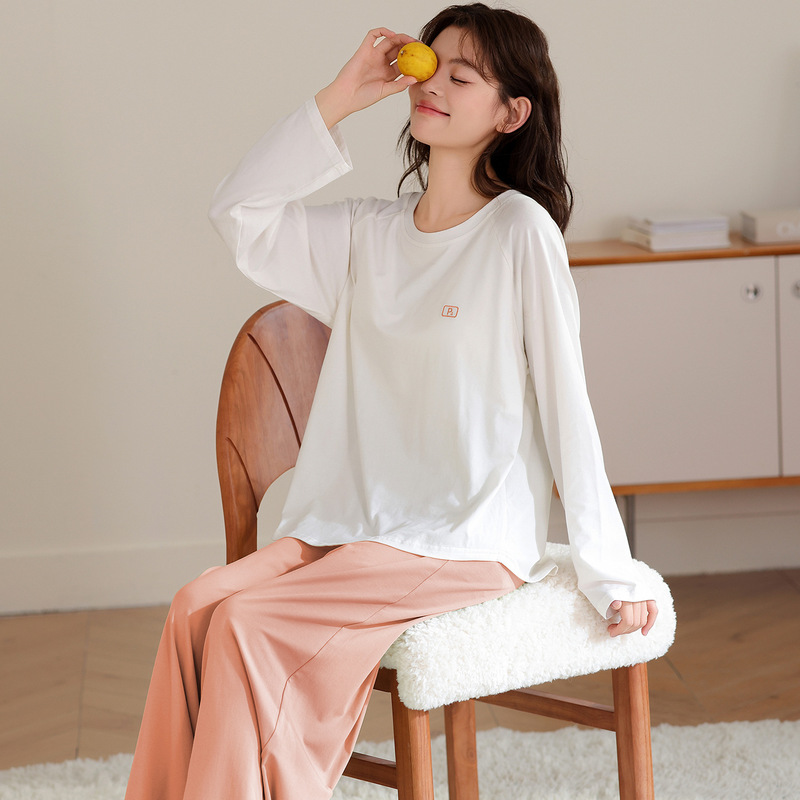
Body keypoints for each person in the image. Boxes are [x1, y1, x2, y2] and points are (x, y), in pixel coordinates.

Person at [125, 4, 658, 799]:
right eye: (430, 66)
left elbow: (566, 405)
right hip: (351, 525)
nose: (432, 84)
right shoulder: (366, 236)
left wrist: (611, 571)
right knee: (196, 605)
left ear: (511, 114)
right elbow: (238, 213)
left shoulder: (519, 232)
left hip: (462, 537)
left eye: (462, 76)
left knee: (244, 623)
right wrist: (343, 94)